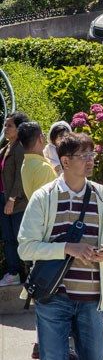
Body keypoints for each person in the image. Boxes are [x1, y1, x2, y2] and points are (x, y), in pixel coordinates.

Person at [17, 131, 103, 360]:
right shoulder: (45, 197)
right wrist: (67, 248)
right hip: (53, 297)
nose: (90, 160)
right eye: (83, 156)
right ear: (64, 161)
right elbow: (25, 246)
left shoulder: (102, 196)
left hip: (91, 297)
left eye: (92, 154)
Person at [17, 121, 58, 360]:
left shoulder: (28, 164)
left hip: (38, 236)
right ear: (41, 138)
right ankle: (46, 344)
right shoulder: (42, 168)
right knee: (51, 295)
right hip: (47, 238)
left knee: (45, 293)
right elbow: (52, 205)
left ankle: (41, 343)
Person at [0, 110, 29, 286]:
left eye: (9, 125)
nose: (5, 128)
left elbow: (21, 176)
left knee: (21, 238)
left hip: (16, 203)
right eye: (5, 124)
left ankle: (30, 273)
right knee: (8, 237)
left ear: (19, 129)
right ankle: (13, 273)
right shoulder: (6, 148)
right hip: (3, 199)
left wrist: (12, 199)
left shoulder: (20, 148)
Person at [18, 121, 57, 199]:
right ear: (41, 138)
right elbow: (45, 203)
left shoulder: (26, 162)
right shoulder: (43, 168)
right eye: (43, 135)